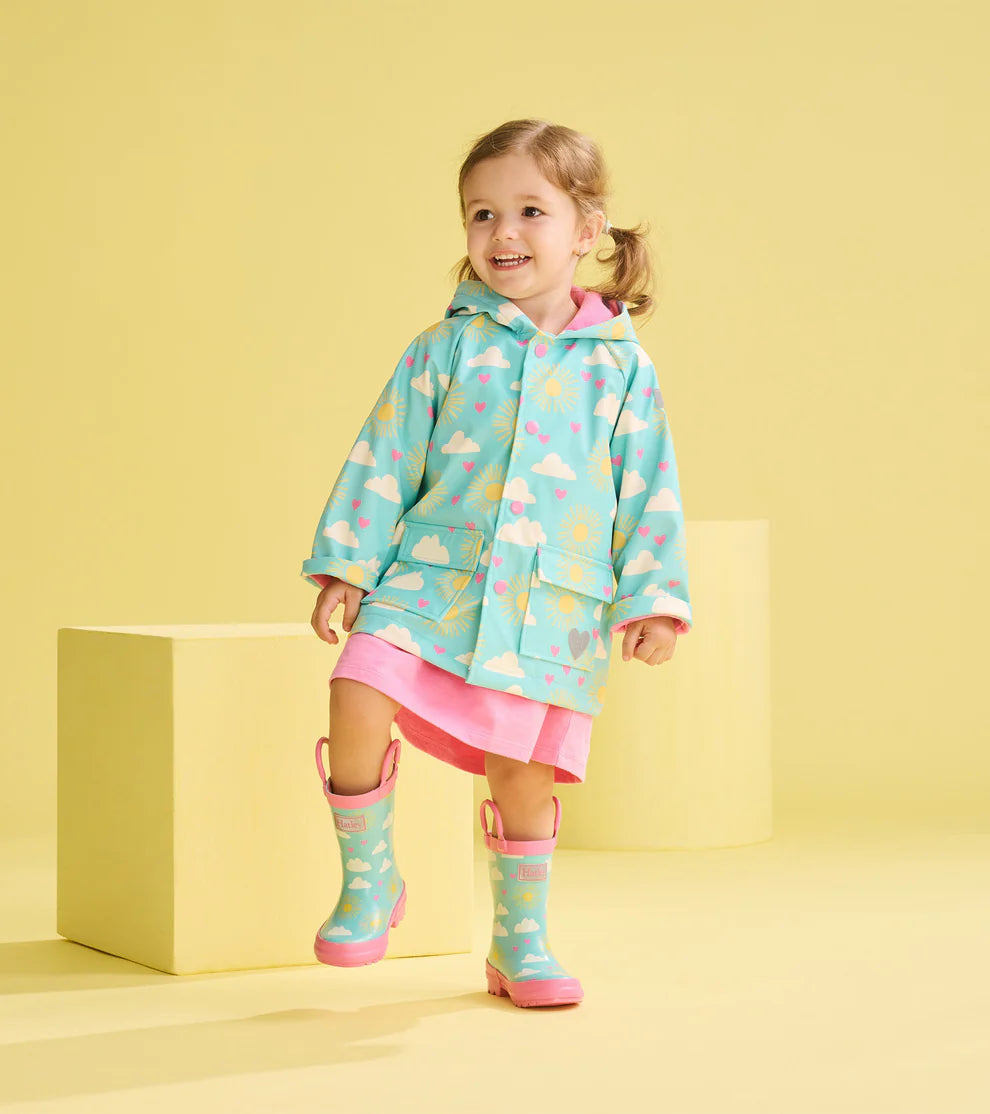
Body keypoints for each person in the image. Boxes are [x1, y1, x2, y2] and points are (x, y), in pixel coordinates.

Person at [301, 118, 693, 1008]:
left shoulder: (623, 372)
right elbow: (385, 456)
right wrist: (348, 565)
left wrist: (655, 599)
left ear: (587, 230)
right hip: (428, 580)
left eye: (529, 211)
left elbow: (649, 488)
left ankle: (521, 942)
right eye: (481, 213)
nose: (502, 232)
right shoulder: (443, 350)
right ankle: (370, 884)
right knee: (356, 686)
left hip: (550, 608)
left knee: (521, 775)